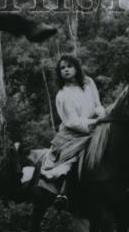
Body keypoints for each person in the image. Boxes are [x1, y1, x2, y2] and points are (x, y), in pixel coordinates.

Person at [39, 54, 105, 207]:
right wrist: (94, 122)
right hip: (74, 132)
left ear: (76, 68)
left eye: (69, 66)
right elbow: (72, 121)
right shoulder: (62, 95)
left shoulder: (89, 82)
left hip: (97, 124)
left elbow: (98, 104)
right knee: (72, 158)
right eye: (62, 68)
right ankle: (63, 193)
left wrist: (101, 114)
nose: (66, 70)